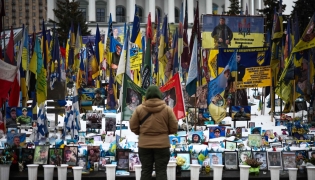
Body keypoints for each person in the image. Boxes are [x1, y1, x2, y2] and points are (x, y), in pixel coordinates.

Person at [129, 85, 178, 180]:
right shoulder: (167, 109)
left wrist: (142, 133)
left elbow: (133, 126)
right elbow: (174, 127)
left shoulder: (139, 109)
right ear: (159, 95)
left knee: (146, 171)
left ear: (146, 95)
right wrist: (164, 133)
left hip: (144, 146)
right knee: (161, 171)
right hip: (162, 146)